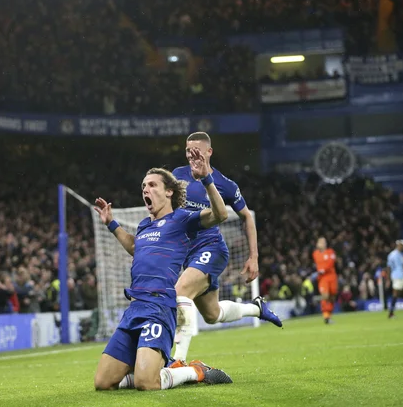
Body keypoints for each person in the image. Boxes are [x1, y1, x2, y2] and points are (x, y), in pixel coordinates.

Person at [93, 149, 233, 391]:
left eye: (152, 185)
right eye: (143, 186)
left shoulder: (182, 220)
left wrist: (207, 178)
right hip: (134, 308)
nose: (145, 189)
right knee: (103, 383)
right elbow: (135, 246)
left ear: (169, 191)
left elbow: (220, 214)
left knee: (147, 384)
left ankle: (195, 371)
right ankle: (146, 368)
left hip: (158, 308)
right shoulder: (145, 225)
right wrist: (111, 224)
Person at [171, 132, 282, 364]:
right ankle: (256, 309)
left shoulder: (225, 185)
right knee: (212, 315)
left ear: (209, 152)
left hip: (211, 249)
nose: (192, 156)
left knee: (180, 292)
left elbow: (247, 218)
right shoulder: (176, 176)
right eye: (188, 151)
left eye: (196, 151)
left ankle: (177, 362)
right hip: (187, 254)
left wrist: (254, 257)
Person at [312, 237, 338, 324]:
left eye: (324, 242)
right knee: (325, 296)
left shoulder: (331, 252)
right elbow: (318, 263)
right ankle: (326, 316)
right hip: (322, 278)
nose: (322, 243)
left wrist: (323, 269)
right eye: (320, 242)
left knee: (332, 296)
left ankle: (329, 315)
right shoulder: (315, 253)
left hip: (331, 276)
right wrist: (321, 271)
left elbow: (331, 262)